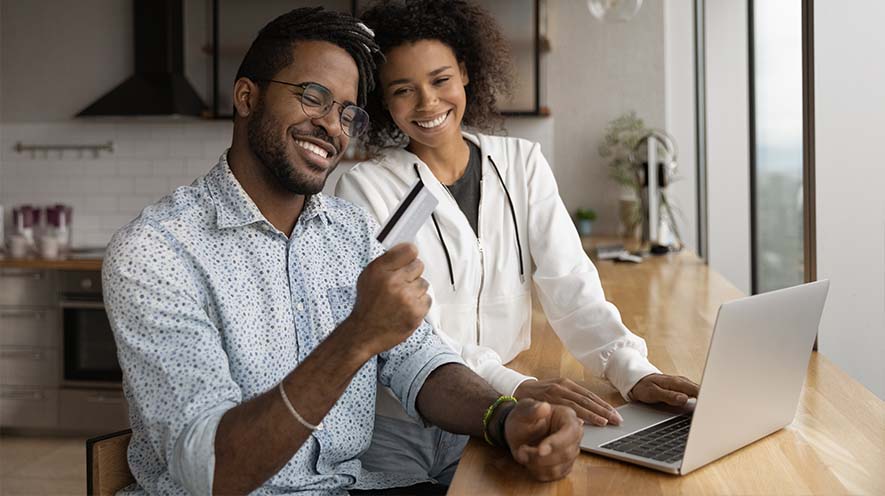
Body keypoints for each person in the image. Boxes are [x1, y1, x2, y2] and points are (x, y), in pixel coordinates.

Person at [102, 7, 583, 495]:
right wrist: (356, 337)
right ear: (247, 97)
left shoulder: (348, 231)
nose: (332, 126)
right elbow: (209, 470)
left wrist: (504, 417)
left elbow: (418, 361)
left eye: (347, 112)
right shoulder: (157, 251)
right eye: (314, 97)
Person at [335, 0, 700, 482]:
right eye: (403, 90)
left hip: (504, 410)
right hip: (400, 423)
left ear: (465, 72)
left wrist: (632, 371)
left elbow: (572, 286)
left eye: (440, 80)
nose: (427, 103)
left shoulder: (522, 164)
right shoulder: (365, 189)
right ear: (384, 101)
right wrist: (519, 387)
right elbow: (415, 332)